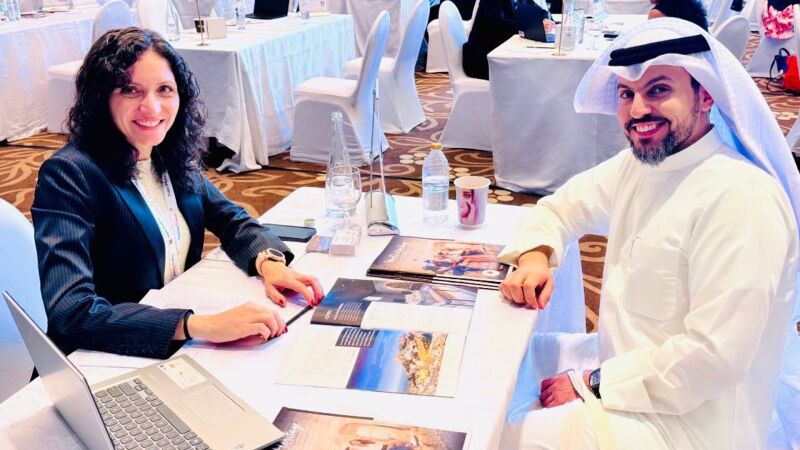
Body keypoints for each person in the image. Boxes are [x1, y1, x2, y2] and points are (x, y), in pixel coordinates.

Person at [497, 19, 799, 449]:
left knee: (497, 434)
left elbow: (713, 359)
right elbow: (560, 207)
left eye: (658, 90)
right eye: (627, 94)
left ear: (706, 95)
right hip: (629, 369)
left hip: (689, 426)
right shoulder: (640, 166)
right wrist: (535, 256)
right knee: (497, 364)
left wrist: (593, 383)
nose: (637, 110)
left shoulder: (742, 199)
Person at [31, 28, 325, 359]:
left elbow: (231, 219)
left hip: (175, 344)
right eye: (130, 90)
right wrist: (197, 325)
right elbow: (72, 312)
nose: (152, 107)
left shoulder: (166, 153)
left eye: (164, 89)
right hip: (101, 356)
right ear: (101, 98)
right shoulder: (70, 173)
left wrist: (269, 263)